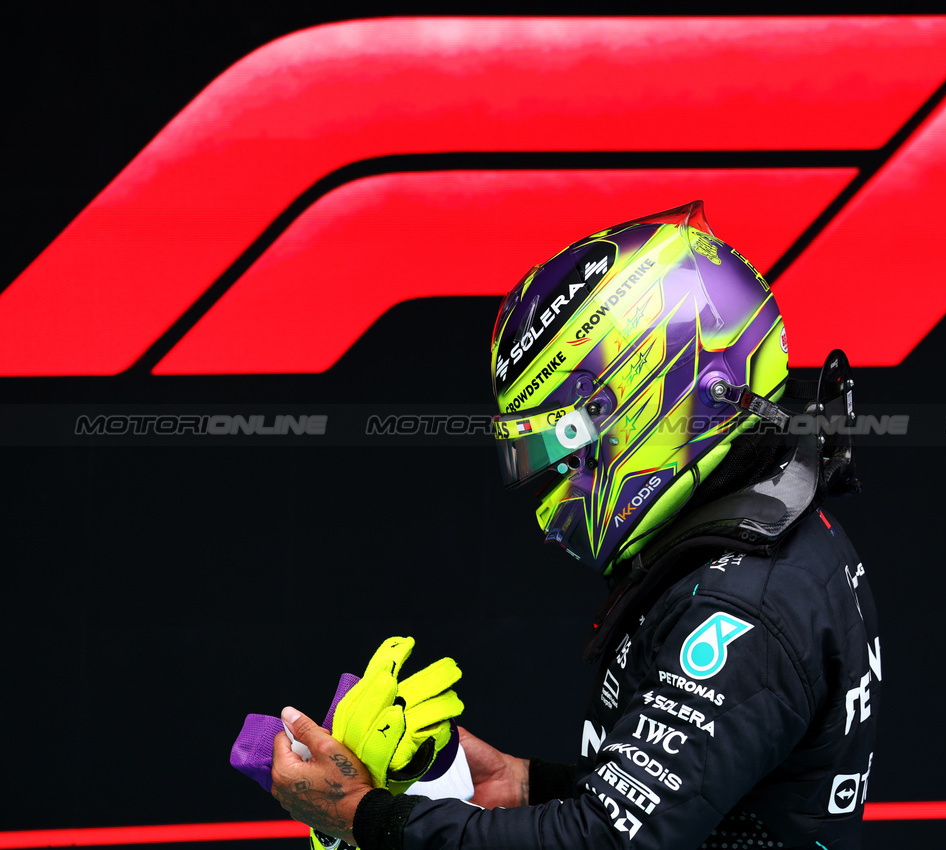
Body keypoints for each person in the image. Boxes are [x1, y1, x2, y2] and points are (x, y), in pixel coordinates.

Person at [271, 202, 882, 849]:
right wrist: (523, 782)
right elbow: (704, 804)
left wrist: (363, 816)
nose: (565, 481)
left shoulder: (742, 606)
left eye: (569, 444)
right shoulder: (762, 543)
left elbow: (603, 844)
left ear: (656, 393)